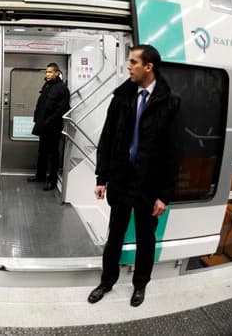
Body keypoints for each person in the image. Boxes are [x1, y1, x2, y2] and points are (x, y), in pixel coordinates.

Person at [88, 44, 180, 307]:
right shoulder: (121, 98)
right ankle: (107, 281)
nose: (129, 67)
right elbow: (107, 140)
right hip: (120, 179)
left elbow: (173, 152)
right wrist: (101, 178)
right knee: (114, 234)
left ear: (148, 67)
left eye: (133, 62)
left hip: (149, 184)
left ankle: (140, 284)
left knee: (145, 237)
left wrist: (164, 194)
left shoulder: (169, 102)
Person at [28, 62, 70, 191]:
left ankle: (52, 181)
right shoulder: (47, 86)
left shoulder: (61, 88)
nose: (47, 74)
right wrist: (37, 118)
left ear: (57, 73)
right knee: (42, 152)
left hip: (52, 127)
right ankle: (40, 175)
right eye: (46, 72)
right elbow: (41, 104)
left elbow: (62, 109)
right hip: (42, 125)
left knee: (53, 154)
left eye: (50, 72)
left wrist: (48, 122)